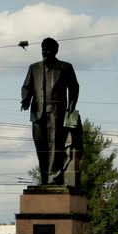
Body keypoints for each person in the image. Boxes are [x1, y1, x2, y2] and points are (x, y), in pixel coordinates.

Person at [21, 37, 79, 185]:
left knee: (55, 146)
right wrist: (25, 99)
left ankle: (54, 176)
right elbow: (27, 86)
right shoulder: (34, 68)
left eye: (47, 49)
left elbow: (74, 87)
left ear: (55, 51)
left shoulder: (66, 67)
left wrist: (71, 107)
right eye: (43, 49)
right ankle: (45, 178)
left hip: (57, 113)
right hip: (38, 114)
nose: (44, 52)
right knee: (41, 147)